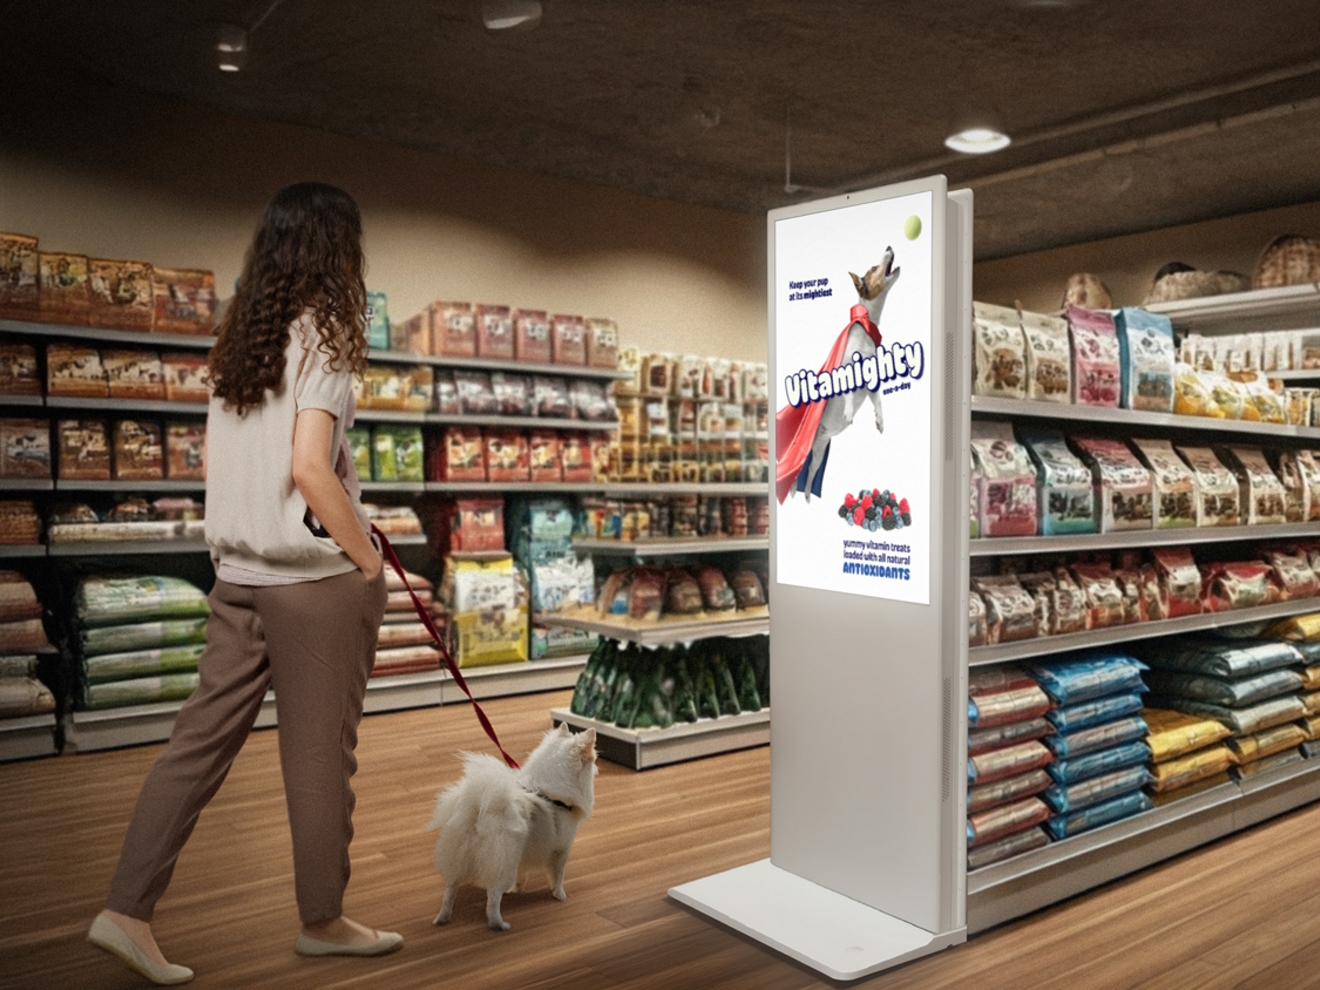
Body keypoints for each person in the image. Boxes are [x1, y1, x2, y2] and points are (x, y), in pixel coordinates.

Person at [87, 182, 398, 986]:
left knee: (194, 747)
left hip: (236, 578)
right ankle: (323, 922)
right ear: (339, 252)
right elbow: (310, 468)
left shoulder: (241, 344)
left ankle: (125, 910)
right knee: (320, 758)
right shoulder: (326, 341)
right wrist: (368, 560)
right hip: (313, 585)